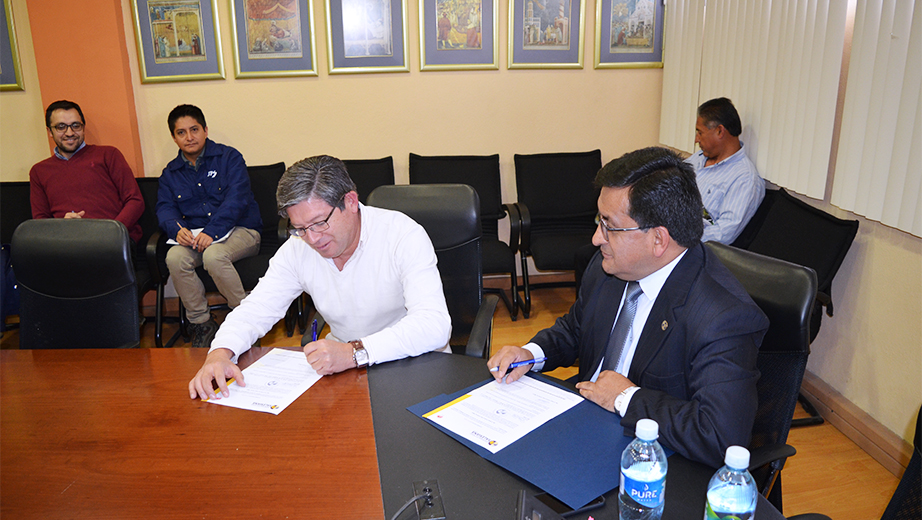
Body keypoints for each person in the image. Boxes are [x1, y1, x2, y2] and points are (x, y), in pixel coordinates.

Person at [488, 147, 768, 468]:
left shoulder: (722, 316)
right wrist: (531, 354)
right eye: (599, 220)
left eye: (610, 225)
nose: (596, 238)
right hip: (581, 424)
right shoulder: (610, 266)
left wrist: (626, 398)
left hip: (650, 459)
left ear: (658, 240)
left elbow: (721, 435)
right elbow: (577, 329)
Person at [188, 155, 452, 401]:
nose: (313, 239)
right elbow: (257, 308)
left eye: (319, 223)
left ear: (350, 201)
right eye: (300, 228)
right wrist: (220, 352)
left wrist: (354, 352)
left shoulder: (402, 235)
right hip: (349, 374)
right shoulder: (298, 248)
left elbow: (434, 325)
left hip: (414, 365)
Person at [156, 104, 262, 349]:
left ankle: (246, 319)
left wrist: (211, 232)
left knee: (214, 256)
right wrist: (175, 228)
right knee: (174, 258)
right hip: (196, 236)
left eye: (194, 129)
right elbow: (164, 208)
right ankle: (202, 323)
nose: (189, 137)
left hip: (241, 230)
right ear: (174, 137)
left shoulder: (229, 158)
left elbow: (237, 199)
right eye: (181, 132)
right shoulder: (170, 173)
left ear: (205, 130)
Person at [29, 100, 145, 245]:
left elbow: (135, 201)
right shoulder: (39, 171)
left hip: (113, 240)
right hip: (66, 243)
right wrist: (61, 226)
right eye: (61, 127)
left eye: (75, 126)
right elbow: (41, 221)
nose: (69, 133)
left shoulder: (108, 155)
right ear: (50, 132)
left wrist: (112, 231)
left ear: (83, 128)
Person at [686, 97, 765, 244]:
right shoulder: (699, 158)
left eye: (700, 132)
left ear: (720, 131)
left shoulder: (744, 179)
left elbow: (723, 235)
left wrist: (676, 236)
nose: (696, 139)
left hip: (689, 247)